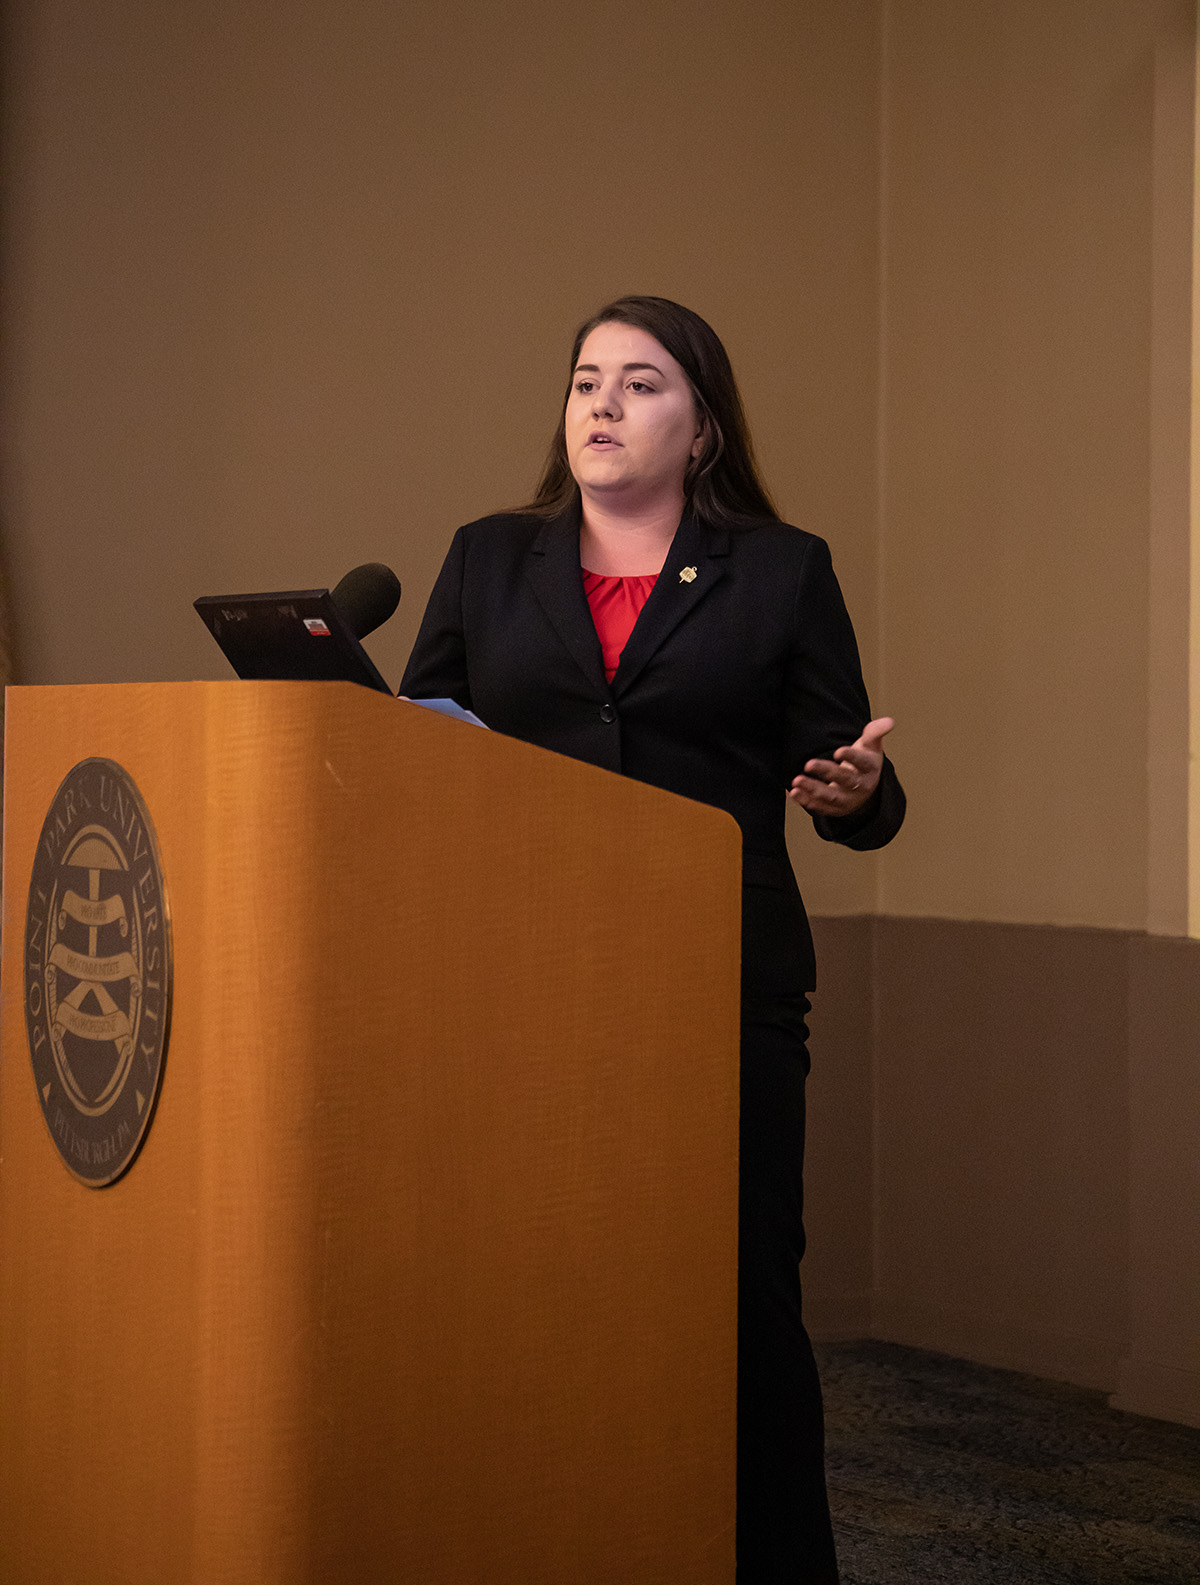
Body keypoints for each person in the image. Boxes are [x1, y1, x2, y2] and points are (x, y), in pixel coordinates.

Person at [400, 295, 905, 1584]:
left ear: (705, 428)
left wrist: (857, 795)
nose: (603, 406)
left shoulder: (785, 570)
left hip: (720, 979)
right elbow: (418, 741)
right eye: (584, 383)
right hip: (529, 980)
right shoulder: (486, 557)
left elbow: (855, 781)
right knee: (539, 1286)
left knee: (737, 1302)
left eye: (640, 384)